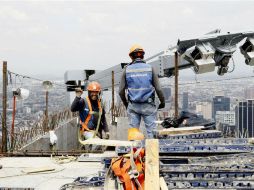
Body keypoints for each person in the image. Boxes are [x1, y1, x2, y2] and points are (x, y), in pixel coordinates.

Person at [119, 44, 165, 139]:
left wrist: (126, 104)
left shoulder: (126, 70)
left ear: (131, 57)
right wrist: (162, 102)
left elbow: (120, 91)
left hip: (133, 106)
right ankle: (152, 152)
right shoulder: (150, 68)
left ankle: (135, 153)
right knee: (152, 133)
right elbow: (159, 89)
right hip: (148, 106)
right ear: (143, 56)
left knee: (133, 134)